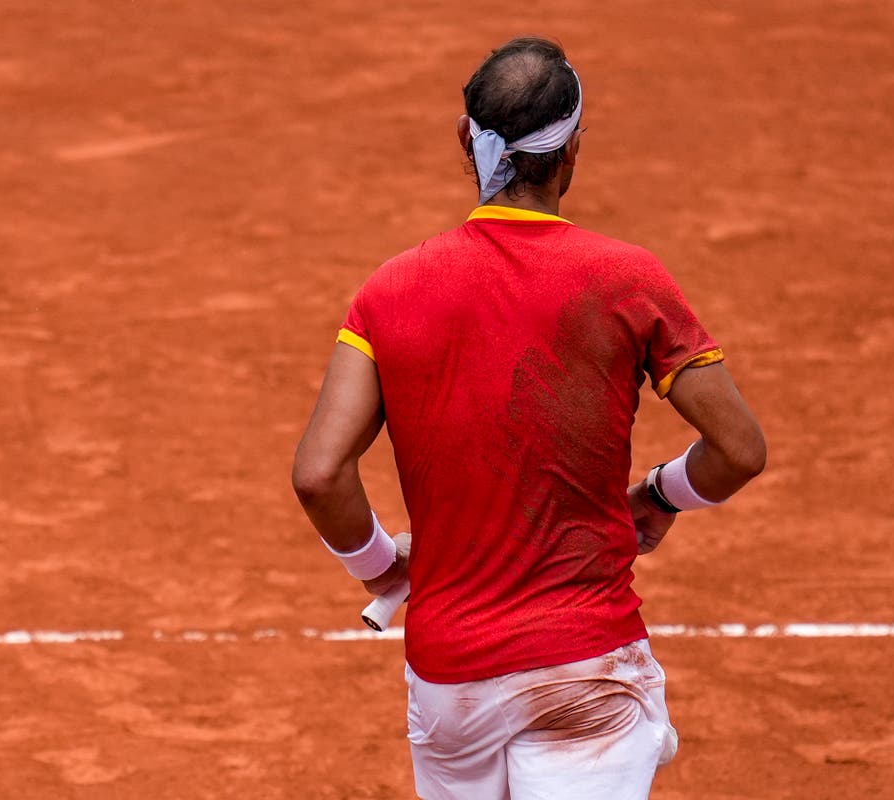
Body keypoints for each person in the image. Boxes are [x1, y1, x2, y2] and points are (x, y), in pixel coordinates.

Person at [292, 36, 766, 800]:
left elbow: (319, 474)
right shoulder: (627, 279)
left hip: (451, 686)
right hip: (587, 669)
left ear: (464, 139)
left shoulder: (389, 291)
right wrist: (659, 495)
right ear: (574, 149)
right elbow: (738, 449)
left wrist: (381, 565)